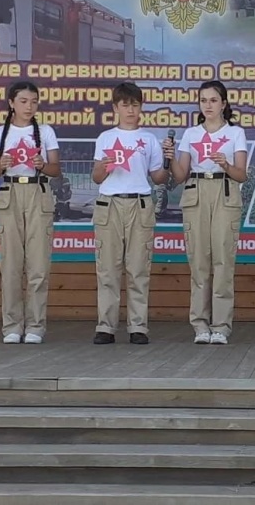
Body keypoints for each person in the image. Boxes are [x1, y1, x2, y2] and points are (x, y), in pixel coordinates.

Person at [162, 81, 248, 345]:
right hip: (196, 191)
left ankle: (221, 326)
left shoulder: (235, 133)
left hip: (224, 190)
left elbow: (241, 174)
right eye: (203, 100)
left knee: (223, 261)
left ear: (223, 103)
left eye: (213, 100)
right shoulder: (190, 134)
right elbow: (179, 176)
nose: (208, 105)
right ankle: (200, 325)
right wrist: (172, 157)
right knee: (198, 261)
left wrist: (226, 163)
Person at [91, 82, 167, 345]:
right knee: (108, 269)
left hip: (140, 204)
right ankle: (106, 326)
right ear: (116, 108)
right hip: (110, 204)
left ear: (141, 107)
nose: (130, 110)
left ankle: (138, 327)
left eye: (135, 105)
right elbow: (97, 177)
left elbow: (158, 176)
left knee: (138, 268)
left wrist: (167, 162)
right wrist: (106, 166)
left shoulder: (148, 140)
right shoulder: (106, 138)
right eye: (125, 105)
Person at [0, 81, 61, 344]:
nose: (29, 106)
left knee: (38, 264)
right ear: (11, 103)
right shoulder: (0, 133)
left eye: (33, 101)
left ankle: (35, 325)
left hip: (38, 192)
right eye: (23, 101)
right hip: (9, 194)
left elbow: (56, 169)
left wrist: (42, 165)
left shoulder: (45, 131)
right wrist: (2, 165)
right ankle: (11, 325)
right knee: (10, 264)